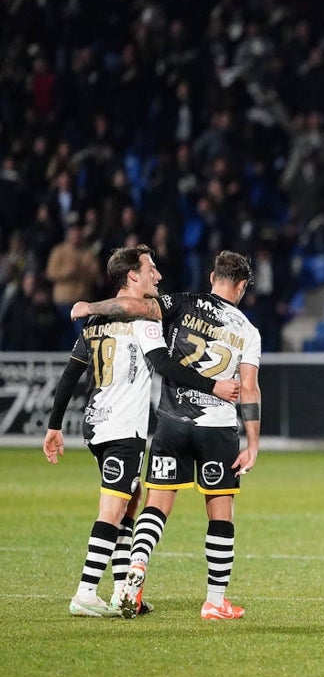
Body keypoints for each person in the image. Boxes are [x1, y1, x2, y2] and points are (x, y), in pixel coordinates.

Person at [43, 245, 239, 617]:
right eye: (151, 269)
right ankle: (85, 592)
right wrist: (212, 386)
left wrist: (54, 425)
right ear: (133, 276)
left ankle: (121, 591)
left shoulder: (96, 320)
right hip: (123, 428)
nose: (158, 276)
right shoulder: (144, 320)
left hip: (96, 425)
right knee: (113, 510)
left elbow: (71, 372)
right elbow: (164, 363)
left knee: (130, 501)